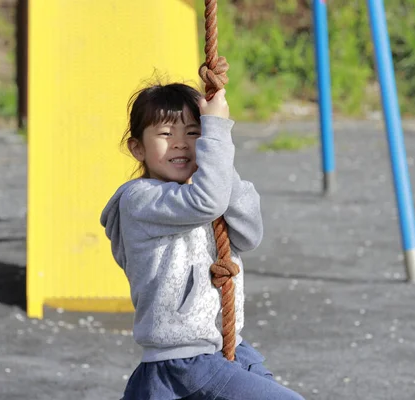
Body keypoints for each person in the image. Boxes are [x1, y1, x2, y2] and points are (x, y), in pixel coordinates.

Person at [101, 82, 304, 400]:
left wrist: (218, 154)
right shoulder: (139, 199)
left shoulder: (205, 191)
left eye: (194, 133)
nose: (180, 144)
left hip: (227, 345)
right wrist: (217, 130)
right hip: (183, 358)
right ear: (137, 148)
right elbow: (207, 201)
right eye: (166, 134)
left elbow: (249, 233)